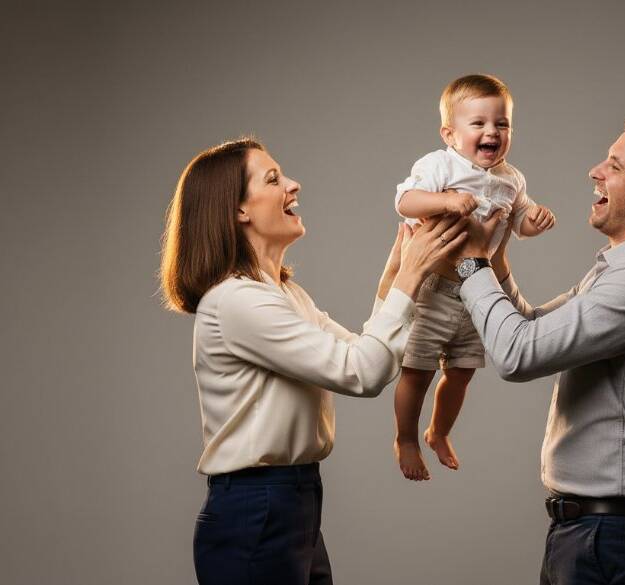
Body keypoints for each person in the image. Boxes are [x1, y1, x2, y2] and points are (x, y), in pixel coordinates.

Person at [159, 138, 468, 584]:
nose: (293, 184)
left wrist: (396, 273)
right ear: (238, 210)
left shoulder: (283, 295)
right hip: (258, 505)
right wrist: (411, 275)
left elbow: (367, 354)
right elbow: (363, 373)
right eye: (273, 179)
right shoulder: (236, 301)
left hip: (293, 500)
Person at [454, 110, 625, 584]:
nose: (595, 171)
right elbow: (532, 325)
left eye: (615, 166)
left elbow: (517, 354)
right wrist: (493, 257)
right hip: (593, 531)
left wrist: (471, 265)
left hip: (610, 537)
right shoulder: (621, 270)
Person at [392, 74, 556, 480]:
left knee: (462, 371)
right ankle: (407, 437)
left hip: (478, 293)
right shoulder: (439, 164)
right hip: (435, 287)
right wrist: (445, 199)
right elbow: (405, 201)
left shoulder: (512, 179)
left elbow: (519, 223)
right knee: (417, 370)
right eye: (478, 124)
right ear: (449, 133)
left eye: (501, 124)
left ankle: (438, 431)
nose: (491, 132)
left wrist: (534, 219)